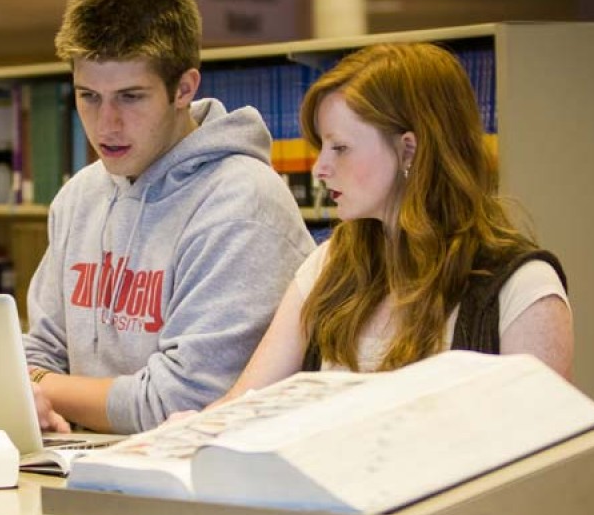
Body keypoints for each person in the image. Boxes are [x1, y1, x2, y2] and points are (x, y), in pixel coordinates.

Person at [23, 0, 316, 435]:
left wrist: (40, 388)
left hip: (197, 481)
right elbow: (38, 353)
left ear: (184, 88)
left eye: (130, 97)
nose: (106, 124)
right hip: (78, 463)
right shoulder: (79, 196)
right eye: (89, 97)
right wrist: (34, 380)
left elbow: (176, 404)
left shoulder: (243, 205)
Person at [210, 42, 572, 408]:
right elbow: (242, 404)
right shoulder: (328, 265)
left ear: (409, 150)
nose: (319, 168)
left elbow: (545, 454)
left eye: (339, 148)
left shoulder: (523, 288)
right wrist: (194, 427)